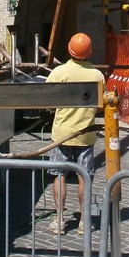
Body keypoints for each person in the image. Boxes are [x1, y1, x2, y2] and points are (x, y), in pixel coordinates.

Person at [46, 32, 105, 235]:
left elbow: (47, 98)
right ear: (89, 52)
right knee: (84, 177)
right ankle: (84, 222)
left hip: (62, 133)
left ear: (70, 49)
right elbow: (100, 105)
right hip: (85, 134)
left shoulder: (59, 72)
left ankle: (60, 220)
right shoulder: (98, 76)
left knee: (60, 175)